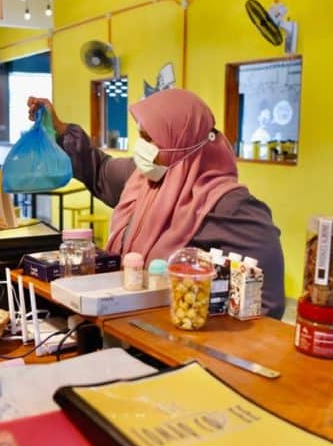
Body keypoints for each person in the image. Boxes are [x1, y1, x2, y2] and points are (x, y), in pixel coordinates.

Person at [28, 89, 286, 319]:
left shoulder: (230, 207)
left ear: (181, 142)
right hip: (123, 326)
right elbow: (99, 169)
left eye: (150, 139)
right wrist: (60, 130)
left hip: (181, 338)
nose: (142, 147)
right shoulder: (142, 178)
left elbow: (265, 303)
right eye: (141, 136)